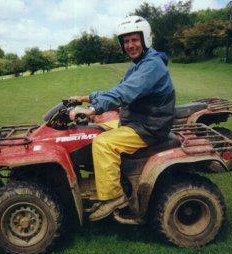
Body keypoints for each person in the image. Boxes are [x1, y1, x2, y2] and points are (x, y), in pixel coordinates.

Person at [69, 15, 175, 221]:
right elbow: (117, 90)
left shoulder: (152, 65)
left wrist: (92, 108)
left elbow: (125, 93)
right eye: (126, 41)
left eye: (134, 40)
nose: (130, 45)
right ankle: (100, 177)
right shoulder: (139, 64)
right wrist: (86, 97)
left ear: (146, 39)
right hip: (136, 121)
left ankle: (112, 197)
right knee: (95, 127)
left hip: (149, 127)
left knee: (102, 143)